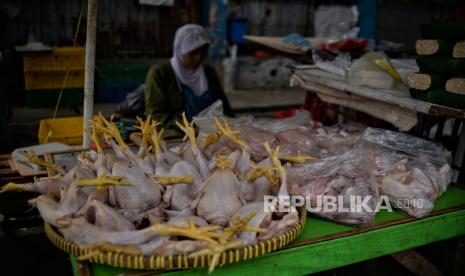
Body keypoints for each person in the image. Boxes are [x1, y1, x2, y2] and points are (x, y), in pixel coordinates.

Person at [145, 24, 232, 137]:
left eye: (203, 52)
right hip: (178, 137)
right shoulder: (160, 73)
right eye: (193, 52)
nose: (199, 57)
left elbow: (224, 107)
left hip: (213, 135)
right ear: (180, 50)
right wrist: (190, 129)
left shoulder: (208, 72)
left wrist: (233, 125)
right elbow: (156, 115)